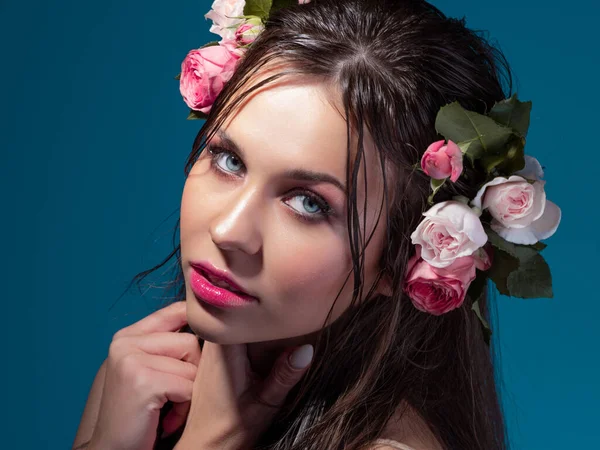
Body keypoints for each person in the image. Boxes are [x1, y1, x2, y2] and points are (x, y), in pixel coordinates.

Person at [72, 1, 562, 449]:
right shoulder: (141, 381)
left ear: (408, 261)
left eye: (308, 203)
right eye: (228, 160)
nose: (228, 231)